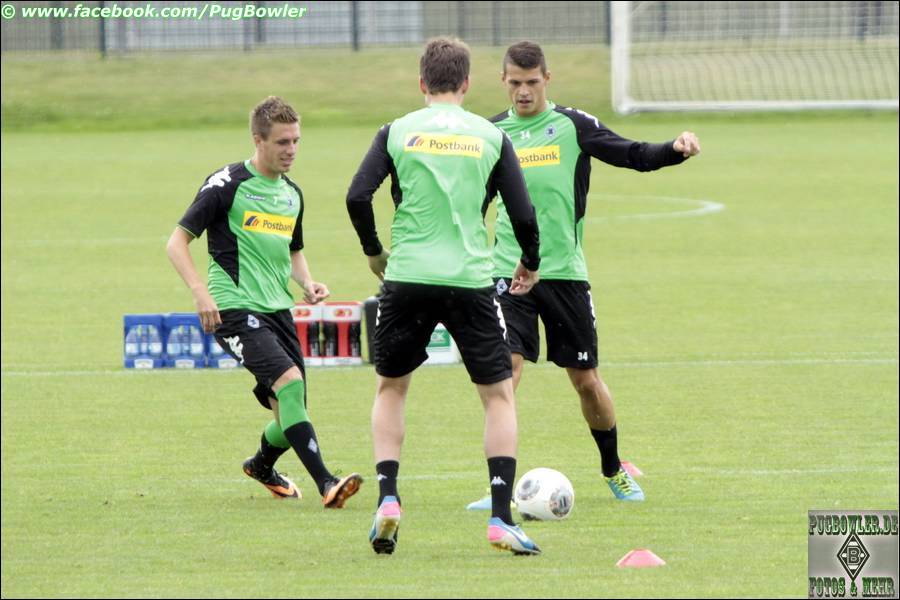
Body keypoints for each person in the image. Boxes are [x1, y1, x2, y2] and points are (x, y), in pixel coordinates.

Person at [468, 41, 701, 509]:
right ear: (503, 81)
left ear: (547, 80)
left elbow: (631, 153)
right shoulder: (492, 135)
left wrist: (673, 151)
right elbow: (472, 203)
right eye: (515, 83)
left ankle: (613, 469)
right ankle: (498, 490)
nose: (523, 91)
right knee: (505, 376)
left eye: (532, 82)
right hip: (509, 275)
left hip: (565, 275)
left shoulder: (573, 126)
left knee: (586, 380)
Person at [346, 38, 543, 556]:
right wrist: (531, 260)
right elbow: (523, 213)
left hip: (407, 277)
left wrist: (374, 251)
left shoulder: (396, 131)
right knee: (498, 396)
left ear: (422, 83)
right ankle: (500, 518)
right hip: (470, 280)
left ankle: (388, 498)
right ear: (467, 83)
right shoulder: (491, 135)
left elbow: (357, 195)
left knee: (392, 389)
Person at [166, 96, 362, 509]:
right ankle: (327, 483)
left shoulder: (292, 194)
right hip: (233, 307)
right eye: (282, 142)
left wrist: (308, 282)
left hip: (278, 310)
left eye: (296, 141)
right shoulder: (227, 184)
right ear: (258, 140)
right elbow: (176, 242)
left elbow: (292, 249)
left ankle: (260, 465)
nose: (291, 150)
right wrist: (200, 292)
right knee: (289, 385)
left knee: (289, 409)